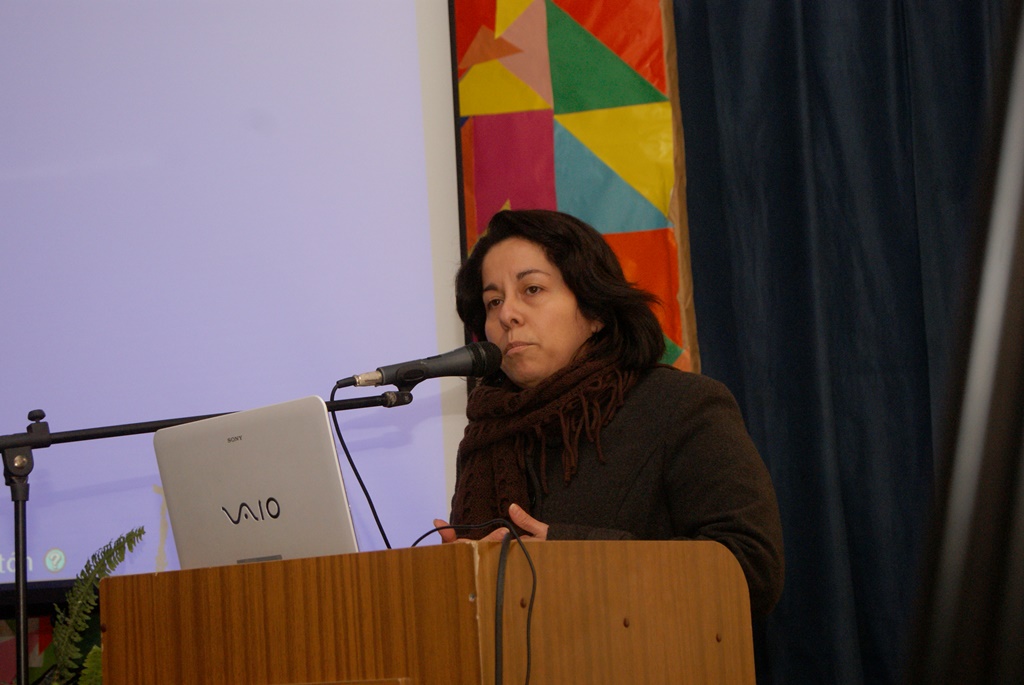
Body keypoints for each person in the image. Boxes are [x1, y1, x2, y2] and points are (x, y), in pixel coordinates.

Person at [433, 209, 784, 616]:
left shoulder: (682, 405)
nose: (507, 314)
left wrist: (572, 556)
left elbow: (752, 566)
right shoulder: (487, 434)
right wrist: (459, 573)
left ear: (595, 311)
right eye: (493, 301)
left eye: (531, 289)